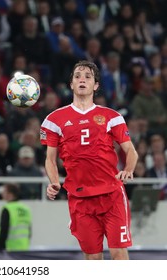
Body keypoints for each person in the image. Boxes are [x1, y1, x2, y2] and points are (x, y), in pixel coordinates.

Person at [40, 61, 138, 260]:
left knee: (119, 253)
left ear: (96, 85)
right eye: (77, 76)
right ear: (71, 85)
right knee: (92, 258)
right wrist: (54, 182)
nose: (82, 79)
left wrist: (128, 168)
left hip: (111, 194)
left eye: (88, 76)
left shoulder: (112, 117)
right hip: (80, 199)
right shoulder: (54, 120)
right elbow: (50, 159)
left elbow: (131, 151)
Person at [0, 183, 32, 252]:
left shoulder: (7, 209)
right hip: (24, 249)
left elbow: (3, 230)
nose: (2, 194)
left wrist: (0, 249)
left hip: (9, 250)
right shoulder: (26, 209)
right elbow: (29, 231)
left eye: (4, 192)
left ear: (10, 194)